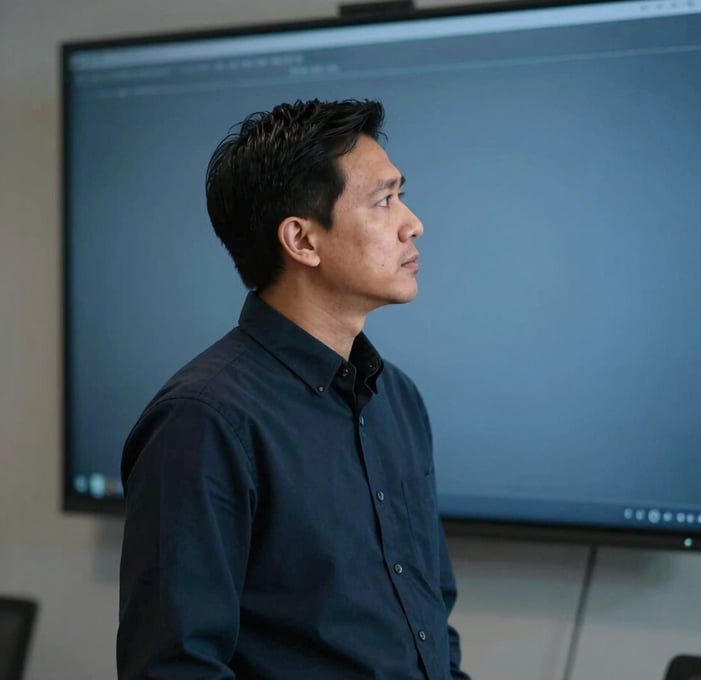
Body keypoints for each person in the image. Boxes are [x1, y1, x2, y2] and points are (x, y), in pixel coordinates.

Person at [117, 99, 470, 680]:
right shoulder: (203, 420)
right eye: (384, 201)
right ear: (302, 241)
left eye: (401, 195)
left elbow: (431, 616)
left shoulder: (398, 398)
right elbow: (175, 666)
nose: (413, 223)